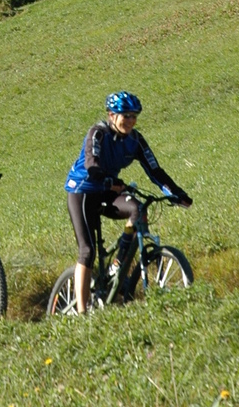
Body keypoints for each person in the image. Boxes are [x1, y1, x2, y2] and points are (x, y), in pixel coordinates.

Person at [64, 91, 193, 314]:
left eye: (134, 116)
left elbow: (155, 170)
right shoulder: (97, 133)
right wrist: (107, 180)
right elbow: (92, 165)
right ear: (111, 115)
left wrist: (176, 193)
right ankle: (82, 314)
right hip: (83, 190)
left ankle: (118, 264)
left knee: (138, 209)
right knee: (87, 251)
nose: (131, 121)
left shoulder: (135, 140)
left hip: (109, 189)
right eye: (126, 116)